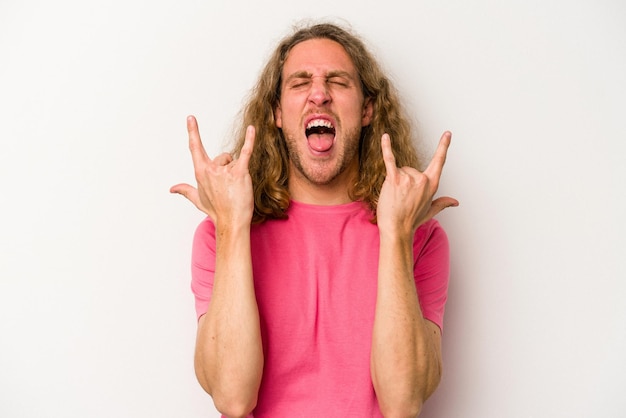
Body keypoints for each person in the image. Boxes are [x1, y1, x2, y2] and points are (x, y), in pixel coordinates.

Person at [171, 21, 458, 418]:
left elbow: (403, 401)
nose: (319, 95)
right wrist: (232, 226)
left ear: (368, 110)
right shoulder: (220, 233)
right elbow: (233, 398)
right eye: (300, 82)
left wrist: (395, 235)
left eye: (338, 82)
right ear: (275, 111)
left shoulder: (419, 236)